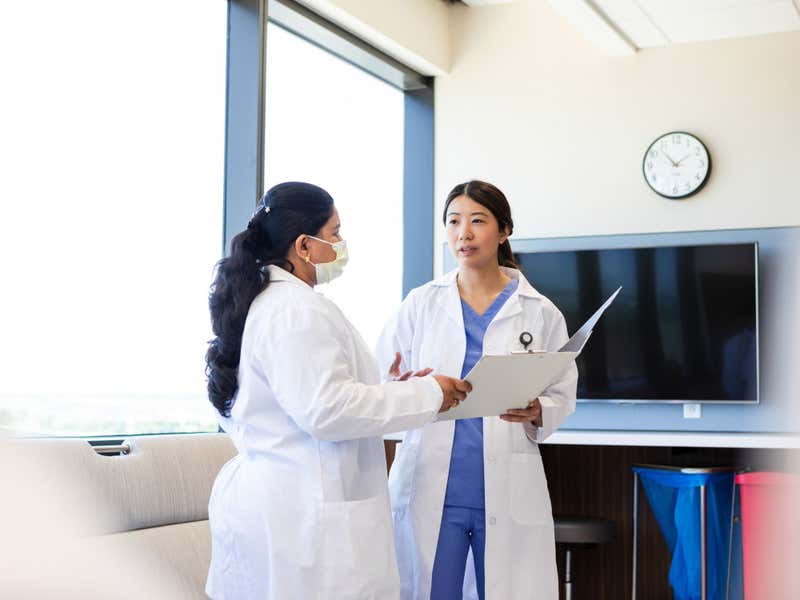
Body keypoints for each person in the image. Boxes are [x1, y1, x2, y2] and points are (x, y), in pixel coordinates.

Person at [204, 182, 471, 600]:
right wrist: (429, 393)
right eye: (335, 233)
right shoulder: (295, 309)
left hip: (287, 506)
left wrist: (393, 390)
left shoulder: (272, 304)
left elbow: (309, 399)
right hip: (304, 515)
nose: (341, 244)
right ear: (304, 246)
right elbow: (328, 410)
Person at [377, 180, 578, 600]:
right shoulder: (421, 303)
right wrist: (401, 387)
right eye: (453, 222)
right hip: (432, 486)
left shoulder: (539, 311)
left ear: (504, 231)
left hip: (506, 487)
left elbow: (562, 392)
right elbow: (384, 383)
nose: (463, 233)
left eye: (477, 221)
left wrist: (539, 410)